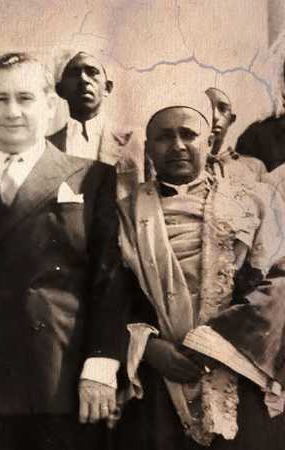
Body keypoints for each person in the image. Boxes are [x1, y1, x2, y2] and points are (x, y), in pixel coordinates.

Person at [0, 52, 129, 450]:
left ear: (49, 105)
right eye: (0, 99)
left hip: (65, 382)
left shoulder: (91, 178)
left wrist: (101, 366)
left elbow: (109, 280)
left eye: (25, 98)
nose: (12, 112)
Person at [114, 105, 285, 450]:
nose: (177, 145)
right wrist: (148, 347)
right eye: (164, 137)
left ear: (208, 143)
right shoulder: (124, 212)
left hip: (240, 364)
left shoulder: (255, 201)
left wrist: (214, 345)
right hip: (159, 375)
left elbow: (280, 277)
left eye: (188, 135)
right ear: (148, 148)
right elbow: (112, 292)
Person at [49, 49, 145, 198]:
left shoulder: (136, 141)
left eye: (92, 72)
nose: (83, 79)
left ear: (107, 88)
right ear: (60, 90)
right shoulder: (46, 148)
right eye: (74, 73)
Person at [204, 87, 266, 181]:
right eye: (208, 108)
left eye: (222, 109)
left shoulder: (253, 167)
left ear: (231, 119)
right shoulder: (184, 167)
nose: (215, 116)